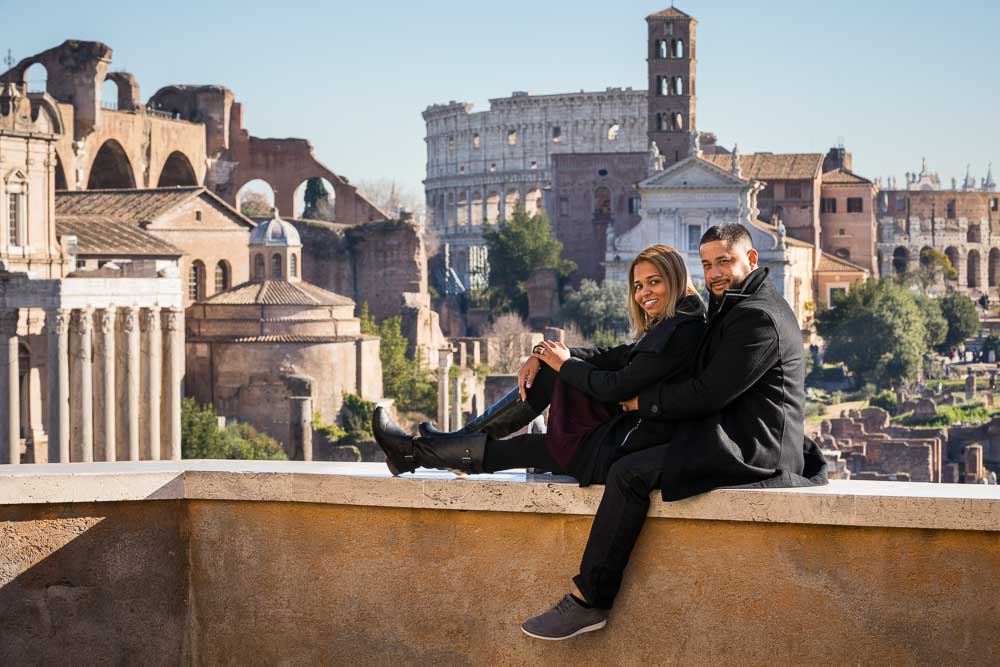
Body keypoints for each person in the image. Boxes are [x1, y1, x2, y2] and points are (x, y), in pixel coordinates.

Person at [517, 222, 828, 640]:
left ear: (751, 259)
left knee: (629, 472)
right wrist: (555, 357)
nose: (714, 272)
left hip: (754, 448)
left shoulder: (757, 317)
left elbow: (708, 393)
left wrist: (641, 403)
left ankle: (589, 599)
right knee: (622, 452)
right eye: (707, 264)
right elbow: (634, 357)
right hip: (731, 433)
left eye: (724, 261)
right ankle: (448, 447)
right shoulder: (733, 304)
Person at [371, 243, 706, 496]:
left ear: (675, 279)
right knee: (543, 387)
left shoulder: (681, 330)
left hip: (625, 446)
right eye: (638, 286)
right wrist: (549, 353)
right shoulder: (673, 323)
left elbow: (616, 386)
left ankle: (418, 452)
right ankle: (420, 451)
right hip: (618, 436)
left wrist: (563, 363)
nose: (644, 293)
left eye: (654, 282)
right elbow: (615, 355)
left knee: (522, 444)